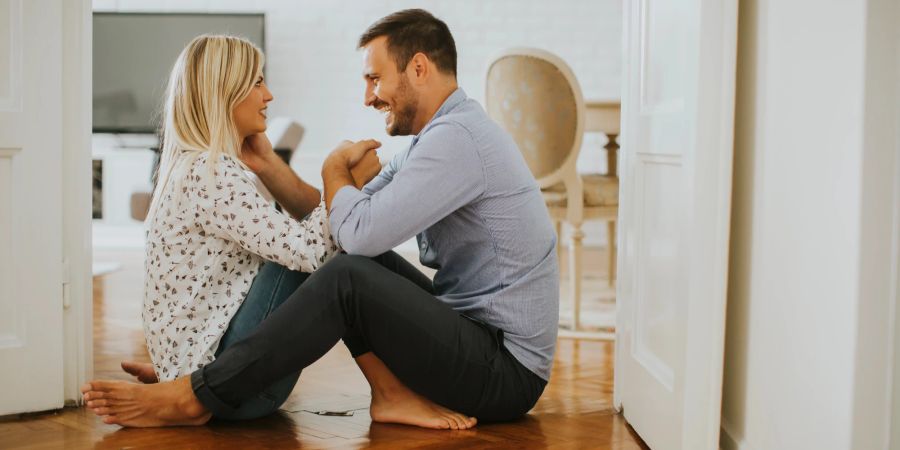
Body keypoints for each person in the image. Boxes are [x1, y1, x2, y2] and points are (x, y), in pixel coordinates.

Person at [82, 9, 559, 430]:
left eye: (375, 79)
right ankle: (387, 395)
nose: (368, 97)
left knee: (350, 272)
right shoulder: (434, 141)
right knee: (354, 262)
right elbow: (337, 222)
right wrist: (271, 165)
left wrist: (335, 170)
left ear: (418, 68)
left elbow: (350, 231)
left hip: (503, 369)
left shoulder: (456, 142)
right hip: (478, 340)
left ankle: (194, 395)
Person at [109, 34, 381, 421]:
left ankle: (178, 377)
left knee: (320, 248)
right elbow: (311, 252)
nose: (268, 95)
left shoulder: (191, 166)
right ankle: (392, 392)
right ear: (225, 92)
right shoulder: (213, 174)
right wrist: (343, 182)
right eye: (256, 82)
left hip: (208, 371)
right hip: (236, 394)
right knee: (342, 264)